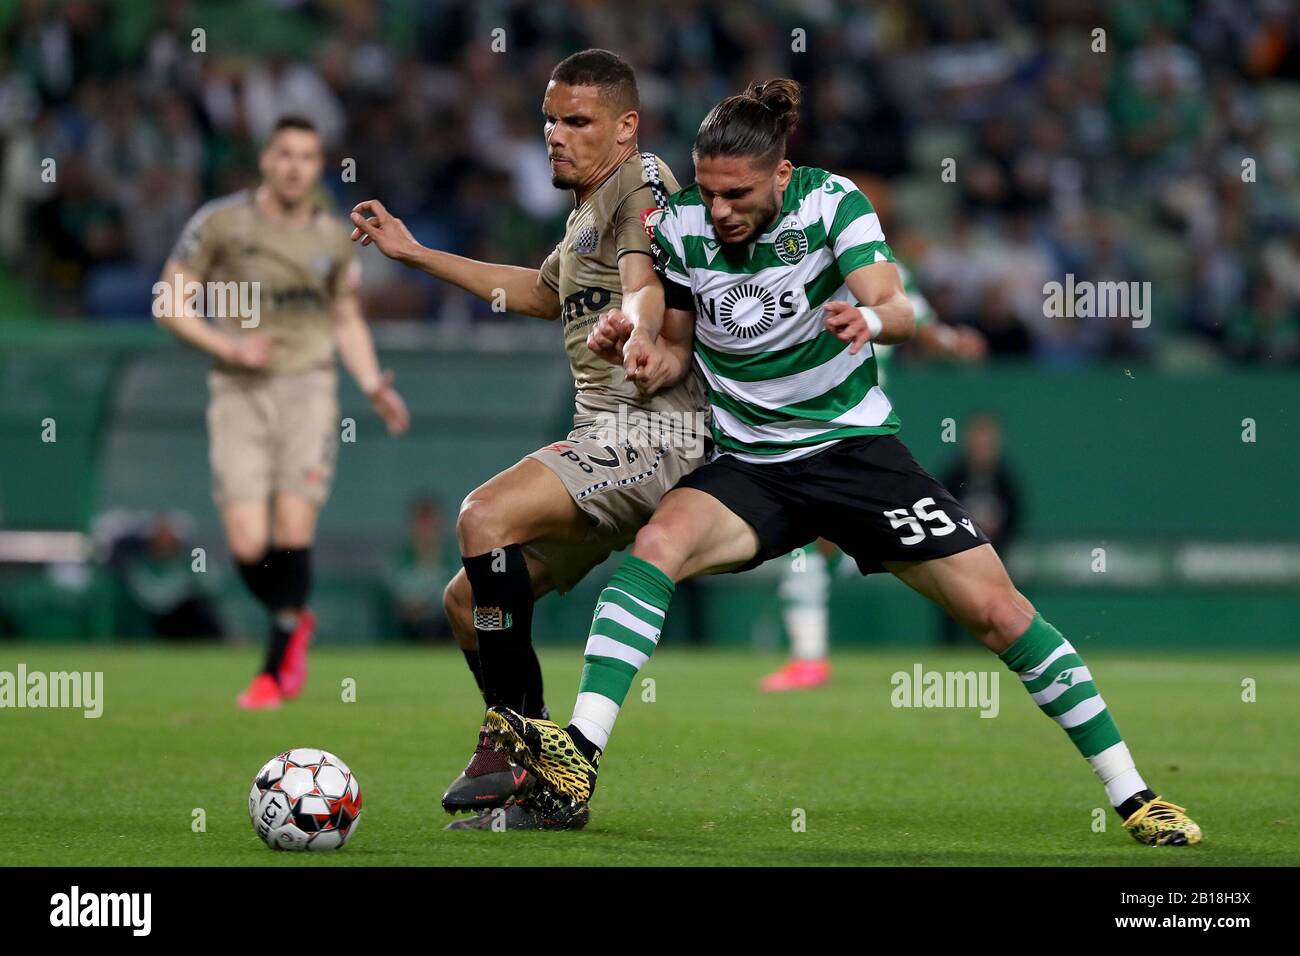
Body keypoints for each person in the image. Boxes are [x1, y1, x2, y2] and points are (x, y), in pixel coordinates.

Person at [483, 79, 1202, 847]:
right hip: (754, 465)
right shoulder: (681, 225)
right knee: (655, 546)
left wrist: (869, 318)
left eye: (738, 194)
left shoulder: (832, 203)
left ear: (781, 175)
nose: (720, 209)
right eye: (710, 191)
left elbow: (898, 305)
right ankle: (580, 757)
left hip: (855, 457)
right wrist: (639, 351)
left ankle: (1134, 793)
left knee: (1002, 615)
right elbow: (676, 353)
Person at [348, 49, 709, 830]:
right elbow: (542, 294)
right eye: (549, 119)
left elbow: (646, 281)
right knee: (465, 603)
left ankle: (511, 742)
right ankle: (548, 775)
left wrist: (638, 325)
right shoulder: (587, 214)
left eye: (577, 121)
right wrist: (416, 254)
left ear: (626, 126)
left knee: (483, 515)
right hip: (602, 447)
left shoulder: (641, 181)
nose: (555, 134)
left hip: (651, 432)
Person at [156, 114, 410, 711]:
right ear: (266, 160)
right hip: (238, 390)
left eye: (307, 156)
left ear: (318, 167)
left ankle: (272, 668)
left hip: (308, 388)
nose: (295, 166)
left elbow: (344, 318)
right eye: (285, 154)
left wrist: (371, 382)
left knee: (294, 528)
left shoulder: (332, 238)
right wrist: (228, 347)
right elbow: (169, 301)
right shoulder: (220, 223)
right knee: (248, 544)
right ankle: (293, 613)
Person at [762, 260, 987, 690]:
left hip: (858, 430)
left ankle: (851, 567)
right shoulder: (801, 260)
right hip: (810, 424)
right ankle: (809, 657)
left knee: (815, 542)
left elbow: (918, 322)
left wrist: (953, 342)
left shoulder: (883, 269)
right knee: (807, 542)